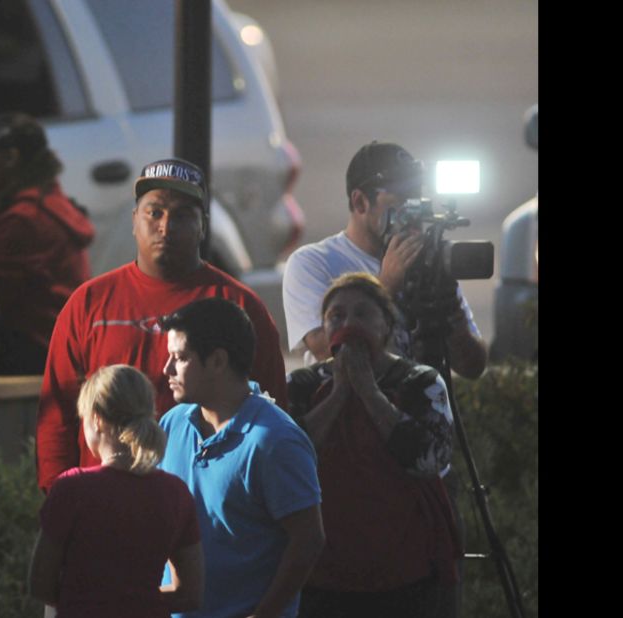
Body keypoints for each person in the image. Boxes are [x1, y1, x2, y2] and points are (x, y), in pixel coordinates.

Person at [36, 157, 288, 492]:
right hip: (104, 500)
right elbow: (58, 416)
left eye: (183, 215)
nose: (166, 227)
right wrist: (59, 495)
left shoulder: (240, 307)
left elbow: (272, 414)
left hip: (207, 510)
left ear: (203, 226)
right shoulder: (88, 304)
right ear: (134, 220)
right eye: (154, 212)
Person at [285, 273, 460, 618]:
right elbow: (288, 461)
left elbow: (430, 459)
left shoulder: (420, 382)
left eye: (363, 314)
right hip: (322, 576)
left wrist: (369, 392)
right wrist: (338, 395)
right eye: (337, 316)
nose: (349, 323)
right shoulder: (302, 385)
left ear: (387, 325)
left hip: (403, 575)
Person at [158, 298, 324, 618]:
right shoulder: (172, 423)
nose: (167, 369)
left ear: (218, 360)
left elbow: (308, 540)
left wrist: (264, 614)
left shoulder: (274, 441)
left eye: (179, 358)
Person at [282, 140, 487, 379]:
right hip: (353, 411)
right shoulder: (314, 263)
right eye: (401, 203)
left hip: (425, 410)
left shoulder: (429, 261)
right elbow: (324, 351)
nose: (415, 214)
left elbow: (473, 367)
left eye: (418, 200)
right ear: (360, 202)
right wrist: (384, 287)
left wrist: (454, 317)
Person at [29, 365, 204, 617]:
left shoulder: (72, 489)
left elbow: (40, 584)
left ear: (97, 419)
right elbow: (190, 593)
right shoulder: (175, 493)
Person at [0, 112, 95, 375]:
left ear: (10, 158)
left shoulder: (23, 220)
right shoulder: (47, 198)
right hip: (60, 344)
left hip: (39, 352)